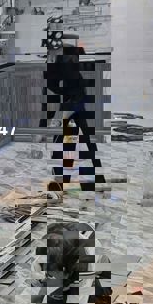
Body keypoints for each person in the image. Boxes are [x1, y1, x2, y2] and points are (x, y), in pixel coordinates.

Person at [43, 30, 104, 189]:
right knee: (82, 139)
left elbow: (52, 84)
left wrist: (65, 93)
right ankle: (96, 177)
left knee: (63, 140)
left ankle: (61, 181)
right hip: (77, 100)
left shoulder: (58, 57)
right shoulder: (69, 53)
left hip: (72, 102)